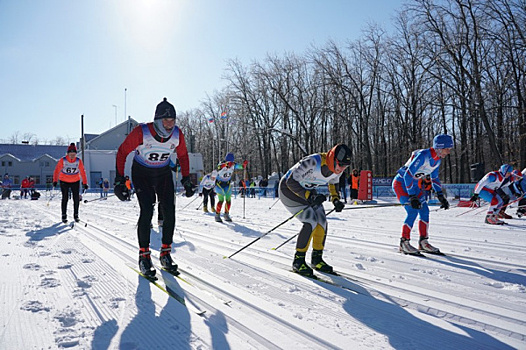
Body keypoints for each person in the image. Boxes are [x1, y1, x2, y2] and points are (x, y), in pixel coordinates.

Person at [114, 97, 194, 277]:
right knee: (147, 210)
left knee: (169, 211)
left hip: (163, 173)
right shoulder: (142, 131)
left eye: (172, 120)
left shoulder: (177, 134)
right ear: (157, 119)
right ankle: (144, 256)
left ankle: (165, 254)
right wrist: (119, 180)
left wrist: (187, 179)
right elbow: (122, 152)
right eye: (165, 120)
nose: (169, 124)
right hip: (142, 173)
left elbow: (183, 156)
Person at [279, 143, 350, 277]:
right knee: (310, 220)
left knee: (322, 221)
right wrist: (310, 196)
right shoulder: (312, 162)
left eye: (345, 166)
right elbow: (290, 182)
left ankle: (317, 259)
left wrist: (335, 199)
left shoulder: (336, 170)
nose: (341, 169)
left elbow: (333, 183)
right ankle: (298, 261)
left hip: (308, 192)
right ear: (332, 159)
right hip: (288, 190)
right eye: (340, 165)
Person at [392, 134, 452, 255]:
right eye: (447, 149)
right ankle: (404, 242)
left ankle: (423, 242)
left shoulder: (437, 160)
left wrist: (440, 195)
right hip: (401, 184)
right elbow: (408, 175)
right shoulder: (423, 156)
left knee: (424, 211)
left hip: (413, 185)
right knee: (412, 211)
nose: (448, 152)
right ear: (440, 147)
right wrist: (412, 196)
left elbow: (434, 178)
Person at [52, 143, 89, 223]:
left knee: (76, 199)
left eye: (74, 154)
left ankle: (76, 215)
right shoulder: (63, 160)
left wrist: (85, 183)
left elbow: (83, 172)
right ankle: (64, 215)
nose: (72, 156)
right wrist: (55, 180)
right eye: (70, 154)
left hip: (75, 181)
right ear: (67, 153)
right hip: (64, 181)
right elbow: (57, 170)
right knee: (65, 198)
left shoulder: (78, 161)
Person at [214, 153, 248, 222]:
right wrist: (226, 164)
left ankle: (226, 214)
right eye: (229, 162)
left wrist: (244, 165)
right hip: (219, 184)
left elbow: (241, 167)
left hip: (227, 184)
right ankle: (217, 215)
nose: (231, 164)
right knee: (221, 200)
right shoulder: (222, 164)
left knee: (228, 200)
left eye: (232, 162)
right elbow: (218, 167)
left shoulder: (233, 165)